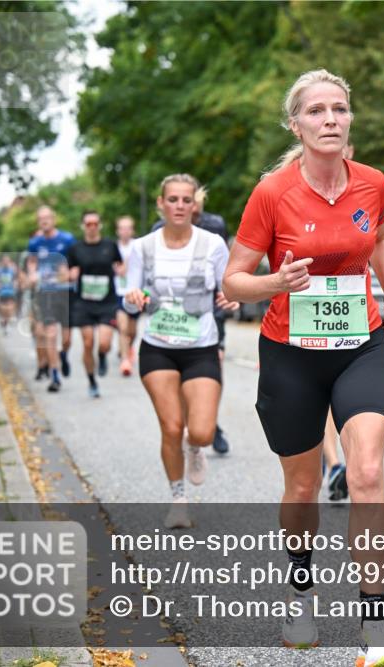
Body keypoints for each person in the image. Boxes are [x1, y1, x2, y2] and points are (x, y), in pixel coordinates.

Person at [223, 68, 384, 667]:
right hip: (291, 355)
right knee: (302, 487)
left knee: (368, 472)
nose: (330, 119)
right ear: (296, 123)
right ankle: (301, 588)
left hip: (361, 346)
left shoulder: (373, 182)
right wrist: (276, 281)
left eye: (339, 109)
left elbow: (380, 235)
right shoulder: (273, 193)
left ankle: (375, 629)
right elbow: (234, 280)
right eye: (316, 111)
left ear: (350, 119)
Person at [123, 174, 238, 529]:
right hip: (158, 347)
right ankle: (178, 500)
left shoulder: (214, 244)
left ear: (195, 205)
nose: (179, 206)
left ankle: (195, 447)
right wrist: (133, 300)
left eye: (186, 200)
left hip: (202, 346)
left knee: (200, 431)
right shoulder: (141, 247)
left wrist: (229, 299)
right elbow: (130, 299)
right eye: (172, 199)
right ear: (161, 204)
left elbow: (230, 287)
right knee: (171, 426)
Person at [320, 144, 384, 503]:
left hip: (359, 314)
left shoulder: (370, 186)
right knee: (321, 398)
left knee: (351, 398)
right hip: (306, 320)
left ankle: (352, 467)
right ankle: (333, 463)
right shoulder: (290, 189)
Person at [151, 189, 233, 454]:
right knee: (181, 375)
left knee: (214, 366)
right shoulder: (159, 229)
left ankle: (211, 423)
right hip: (173, 314)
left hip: (208, 310)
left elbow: (224, 266)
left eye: (194, 208)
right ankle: (191, 422)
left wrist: (229, 295)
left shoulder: (215, 225)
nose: (189, 213)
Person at [67, 211, 123, 398]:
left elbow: (121, 265)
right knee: (88, 342)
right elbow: (68, 271)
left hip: (107, 302)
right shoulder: (76, 249)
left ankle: (102, 356)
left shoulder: (110, 245)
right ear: (83, 226)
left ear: (100, 225)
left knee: (105, 343)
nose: (92, 227)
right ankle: (92, 381)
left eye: (95, 223)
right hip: (84, 302)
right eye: (88, 224)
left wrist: (122, 270)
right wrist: (70, 275)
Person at [26, 206, 76, 392]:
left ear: (54, 219)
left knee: (67, 338)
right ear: (38, 222)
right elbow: (31, 263)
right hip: (46, 294)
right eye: (41, 218)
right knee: (50, 333)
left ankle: (64, 354)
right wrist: (32, 274)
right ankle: (55, 375)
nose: (44, 221)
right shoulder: (34, 243)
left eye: (47, 217)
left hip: (66, 293)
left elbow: (76, 262)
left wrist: (71, 272)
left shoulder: (67, 239)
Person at [114, 215, 140, 376]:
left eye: (128, 228)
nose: (125, 231)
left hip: (135, 292)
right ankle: (125, 360)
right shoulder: (112, 247)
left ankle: (129, 347)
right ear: (118, 231)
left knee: (133, 330)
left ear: (132, 230)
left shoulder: (138, 246)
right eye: (122, 228)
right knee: (123, 327)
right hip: (119, 292)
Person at [0, 255, 19, 335]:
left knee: (9, 308)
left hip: (10, 292)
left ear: (9, 262)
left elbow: (15, 279)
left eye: (8, 261)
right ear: (2, 262)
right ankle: (4, 323)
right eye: (4, 261)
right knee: (3, 310)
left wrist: (15, 284)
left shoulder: (12, 271)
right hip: (1, 292)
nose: (6, 263)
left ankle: (7, 324)